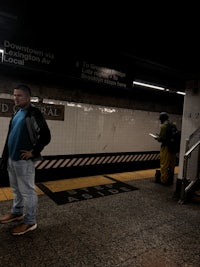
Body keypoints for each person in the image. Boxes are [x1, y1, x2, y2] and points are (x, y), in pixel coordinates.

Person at [0, 84, 51, 235]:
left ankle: (30, 222)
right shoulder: (17, 112)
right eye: (14, 95)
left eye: (19, 95)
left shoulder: (33, 113)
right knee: (16, 190)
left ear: (28, 97)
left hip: (23, 161)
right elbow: (10, 136)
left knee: (28, 191)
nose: (15, 98)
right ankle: (17, 212)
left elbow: (46, 135)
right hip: (12, 158)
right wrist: (5, 157)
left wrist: (33, 152)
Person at [154, 112, 177, 186]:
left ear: (162, 119)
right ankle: (170, 180)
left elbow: (161, 139)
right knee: (172, 165)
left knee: (164, 164)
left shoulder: (163, 126)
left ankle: (163, 180)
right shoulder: (173, 125)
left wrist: (157, 138)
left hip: (166, 147)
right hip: (173, 148)